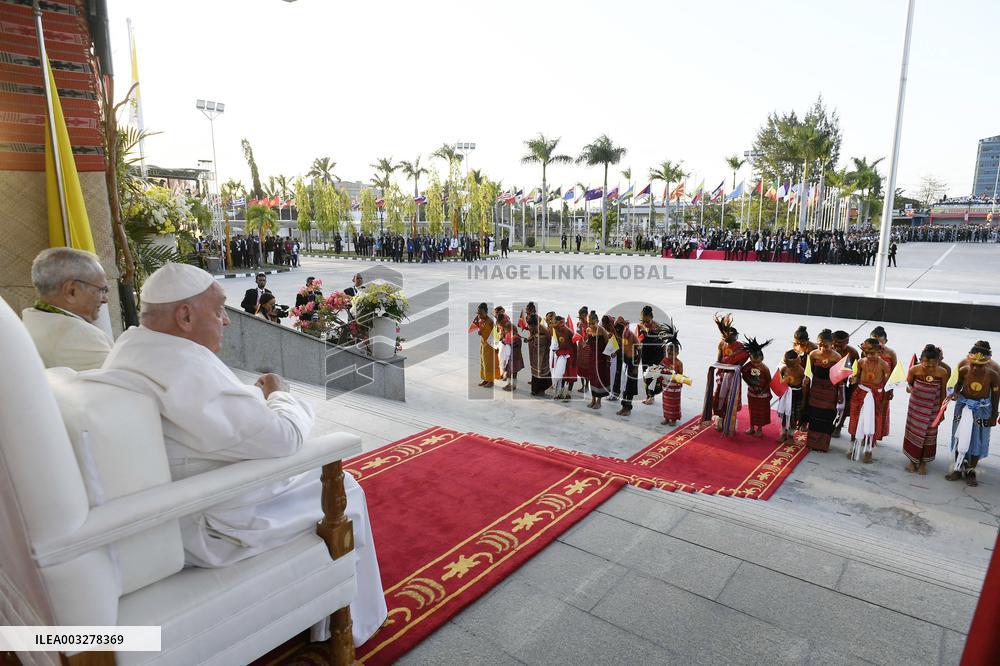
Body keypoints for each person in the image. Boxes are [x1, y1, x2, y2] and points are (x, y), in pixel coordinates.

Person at [88, 263, 386, 645]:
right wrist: (279, 393)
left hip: (179, 506)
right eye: (218, 311)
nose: (227, 320)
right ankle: (352, 627)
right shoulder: (184, 367)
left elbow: (213, 415)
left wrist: (255, 398)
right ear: (185, 316)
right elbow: (286, 436)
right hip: (217, 522)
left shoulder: (133, 349)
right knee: (346, 485)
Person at [21, 247, 113, 371]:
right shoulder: (82, 338)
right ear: (71, 291)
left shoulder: (28, 321)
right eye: (102, 290)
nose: (105, 300)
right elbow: (125, 381)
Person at [947, 344, 1000, 486]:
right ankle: (958, 468)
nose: (976, 368)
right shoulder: (963, 370)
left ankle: (971, 471)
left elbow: (996, 396)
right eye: (974, 364)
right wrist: (955, 393)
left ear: (987, 363)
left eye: (980, 365)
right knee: (959, 437)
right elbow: (958, 384)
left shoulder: (993, 375)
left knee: (977, 439)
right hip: (963, 406)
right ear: (969, 360)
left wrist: (994, 415)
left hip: (982, 409)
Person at [903, 344, 949, 474]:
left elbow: (943, 393)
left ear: (938, 362)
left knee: (929, 435)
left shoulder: (943, 372)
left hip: (934, 408)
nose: (930, 368)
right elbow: (908, 385)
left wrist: (942, 412)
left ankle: (923, 462)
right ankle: (912, 460)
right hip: (916, 408)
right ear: (921, 360)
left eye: (933, 365)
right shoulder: (914, 370)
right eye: (926, 365)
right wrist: (909, 388)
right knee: (914, 433)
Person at [703, 313, 748, 435]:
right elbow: (719, 360)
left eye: (731, 338)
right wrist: (718, 370)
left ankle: (730, 423)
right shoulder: (722, 344)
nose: (728, 340)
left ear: (735, 337)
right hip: (722, 376)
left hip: (733, 377)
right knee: (719, 398)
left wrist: (736, 366)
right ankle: (720, 421)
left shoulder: (740, 347)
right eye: (726, 338)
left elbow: (743, 359)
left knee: (730, 399)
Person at [848, 338, 891, 462]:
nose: (869, 356)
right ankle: (853, 448)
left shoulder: (884, 365)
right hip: (860, 394)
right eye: (866, 353)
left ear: (879, 351)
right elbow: (856, 376)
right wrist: (853, 379)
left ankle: (868, 450)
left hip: (876, 396)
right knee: (855, 420)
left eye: (872, 353)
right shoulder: (860, 362)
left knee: (873, 422)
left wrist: (885, 399)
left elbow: (888, 384)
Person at [804, 329, 842, 452]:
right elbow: (808, 372)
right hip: (816, 389)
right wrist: (806, 379)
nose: (822, 348)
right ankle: (811, 442)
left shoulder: (837, 357)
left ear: (832, 344)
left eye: (825, 346)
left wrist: (840, 394)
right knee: (814, 416)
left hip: (830, 392)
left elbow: (840, 378)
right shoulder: (813, 354)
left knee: (826, 417)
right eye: (819, 345)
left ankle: (823, 444)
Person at [651, 321, 684, 425]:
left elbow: (681, 375)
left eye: (672, 353)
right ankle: (666, 417)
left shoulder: (679, 363)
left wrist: (677, 380)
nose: (670, 355)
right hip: (666, 386)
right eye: (668, 353)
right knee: (666, 403)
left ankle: (673, 419)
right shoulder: (664, 360)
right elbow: (659, 369)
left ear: (677, 353)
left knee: (674, 403)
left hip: (675, 387)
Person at [741, 337, 773, 437]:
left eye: (758, 362)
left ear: (762, 359)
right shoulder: (747, 366)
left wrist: (762, 390)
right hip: (752, 392)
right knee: (752, 410)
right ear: (750, 358)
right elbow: (743, 375)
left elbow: (769, 381)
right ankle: (751, 427)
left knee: (760, 411)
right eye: (754, 362)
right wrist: (750, 384)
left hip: (762, 394)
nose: (756, 364)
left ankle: (759, 428)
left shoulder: (765, 368)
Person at [776, 350, 809, 444]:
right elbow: (779, 381)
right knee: (784, 415)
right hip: (785, 394)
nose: (791, 367)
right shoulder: (784, 369)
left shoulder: (801, 370)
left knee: (794, 416)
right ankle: (783, 433)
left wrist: (804, 400)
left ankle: (790, 435)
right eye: (789, 365)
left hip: (797, 395)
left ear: (798, 361)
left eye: (793, 365)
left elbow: (804, 386)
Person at [870, 326, 898, 439]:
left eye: (880, 342)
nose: (877, 345)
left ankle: (875, 436)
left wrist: (891, 390)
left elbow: (895, 373)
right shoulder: (866, 352)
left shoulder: (891, 353)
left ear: (886, 341)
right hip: (868, 386)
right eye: (874, 341)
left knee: (880, 412)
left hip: (883, 389)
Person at [831, 330, 860, 437]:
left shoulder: (852, 352)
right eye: (835, 344)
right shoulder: (829, 349)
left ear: (847, 341)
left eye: (840, 345)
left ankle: (839, 425)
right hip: (829, 382)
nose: (837, 347)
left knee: (843, 406)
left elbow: (857, 371)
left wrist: (854, 384)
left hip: (844, 384)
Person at [583, 311, 611, 410]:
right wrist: (586, 342)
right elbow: (588, 341)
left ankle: (599, 401)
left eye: (593, 323)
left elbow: (608, 344)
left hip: (601, 359)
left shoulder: (602, 330)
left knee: (599, 379)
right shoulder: (589, 330)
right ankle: (593, 399)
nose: (591, 325)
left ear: (597, 321)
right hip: (592, 358)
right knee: (592, 378)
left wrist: (608, 359)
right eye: (589, 323)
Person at [638, 306, 664, 405]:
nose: (645, 321)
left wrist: (664, 356)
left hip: (656, 354)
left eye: (647, 319)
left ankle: (651, 396)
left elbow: (663, 341)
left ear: (651, 317)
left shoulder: (657, 326)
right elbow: (638, 339)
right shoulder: (641, 325)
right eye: (643, 319)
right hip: (645, 353)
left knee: (653, 376)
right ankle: (648, 395)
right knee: (646, 375)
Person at [550, 315, 578, 401]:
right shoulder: (555, 330)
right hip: (561, 355)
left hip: (571, 355)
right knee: (561, 374)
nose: (552, 324)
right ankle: (560, 392)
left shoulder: (568, 331)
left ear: (559, 323)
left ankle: (569, 393)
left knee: (571, 374)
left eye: (554, 322)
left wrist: (575, 359)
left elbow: (575, 346)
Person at [473, 303, 499, 388]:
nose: (479, 315)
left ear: (486, 312)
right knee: (483, 362)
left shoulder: (490, 322)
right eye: (478, 313)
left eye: (481, 313)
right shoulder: (481, 320)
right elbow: (482, 330)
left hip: (490, 346)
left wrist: (496, 347)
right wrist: (480, 332)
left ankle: (491, 381)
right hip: (484, 345)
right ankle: (485, 378)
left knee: (490, 364)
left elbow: (496, 334)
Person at [525, 313, 552, 396]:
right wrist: (529, 339)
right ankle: (535, 390)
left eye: (531, 326)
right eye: (529, 326)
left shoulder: (543, 329)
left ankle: (542, 389)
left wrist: (548, 352)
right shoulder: (532, 328)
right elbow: (532, 336)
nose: (530, 328)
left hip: (544, 351)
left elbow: (549, 340)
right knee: (535, 369)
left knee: (542, 370)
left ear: (536, 325)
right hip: (536, 351)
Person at [497, 314, 523, 392]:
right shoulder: (510, 336)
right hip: (510, 357)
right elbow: (506, 341)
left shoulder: (516, 338)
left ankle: (513, 385)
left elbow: (510, 343)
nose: (505, 332)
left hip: (515, 358)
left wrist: (504, 341)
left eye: (506, 330)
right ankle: (508, 384)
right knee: (509, 371)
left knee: (514, 372)